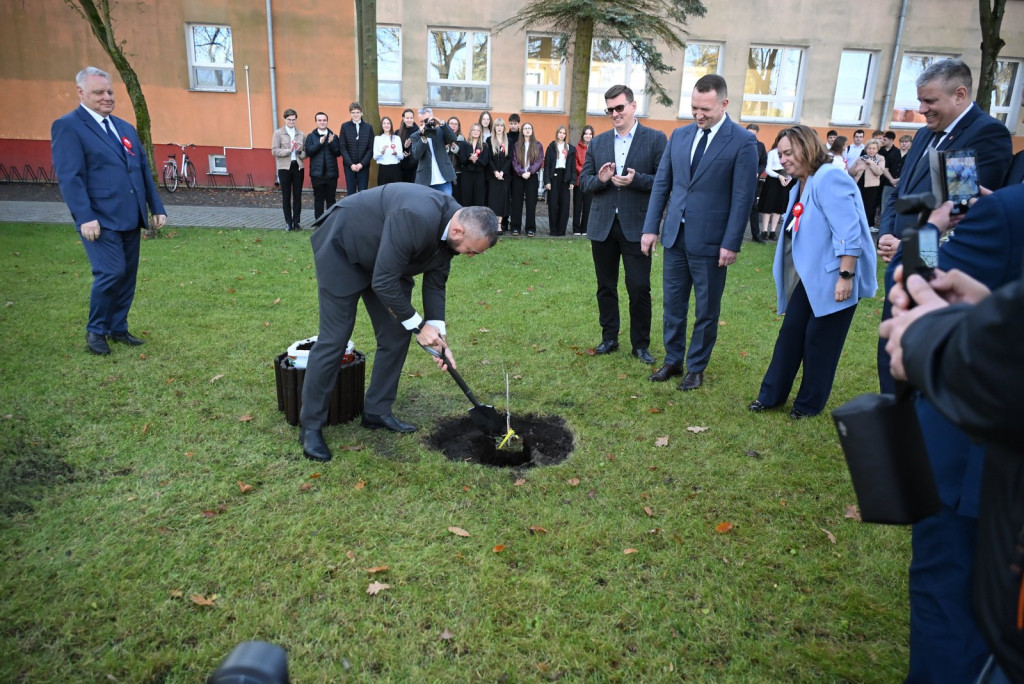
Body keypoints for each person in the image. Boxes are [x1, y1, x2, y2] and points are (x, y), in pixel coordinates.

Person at [879, 184, 1024, 683]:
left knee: (948, 599)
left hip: (976, 458)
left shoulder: (1004, 212)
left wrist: (932, 227)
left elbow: (914, 283)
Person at [299, 183, 499, 462]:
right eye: (470, 251)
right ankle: (310, 427)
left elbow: (436, 283)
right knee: (336, 338)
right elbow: (384, 281)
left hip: (386, 261)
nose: (469, 256)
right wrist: (419, 327)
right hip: (344, 249)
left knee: (396, 332)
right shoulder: (415, 215)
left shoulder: (453, 230)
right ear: (458, 231)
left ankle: (377, 411)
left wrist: (437, 335)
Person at [875, 58, 1013, 394]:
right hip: (905, 256)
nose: (921, 109)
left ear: (960, 95)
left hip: (939, 268)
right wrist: (889, 232)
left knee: (921, 355)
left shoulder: (985, 134)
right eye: (920, 100)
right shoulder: (924, 134)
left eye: (930, 101)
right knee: (892, 350)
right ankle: (894, 412)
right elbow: (901, 192)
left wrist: (916, 243)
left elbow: (963, 212)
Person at [747, 125, 877, 418]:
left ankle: (807, 405)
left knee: (821, 343)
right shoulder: (801, 183)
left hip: (836, 276)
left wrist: (846, 276)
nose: (783, 160)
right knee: (791, 334)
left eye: (788, 153)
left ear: (806, 148)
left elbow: (849, 231)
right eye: (780, 154)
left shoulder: (829, 177)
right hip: (812, 278)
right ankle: (771, 396)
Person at [640, 74, 758, 387]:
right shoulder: (679, 136)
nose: (698, 114)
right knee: (673, 305)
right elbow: (662, 184)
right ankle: (672, 361)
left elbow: (743, 198)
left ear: (724, 103)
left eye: (705, 109)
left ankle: (696, 368)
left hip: (712, 242)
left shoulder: (743, 141)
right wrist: (651, 228)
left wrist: (731, 242)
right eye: (694, 107)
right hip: (675, 238)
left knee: (706, 309)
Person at [51, 66, 167, 356]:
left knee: (127, 276)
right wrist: (84, 216)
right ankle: (96, 330)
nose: (107, 97)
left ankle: (118, 327)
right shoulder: (68, 126)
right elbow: (71, 177)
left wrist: (156, 206)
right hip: (99, 219)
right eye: (98, 92)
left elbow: (141, 170)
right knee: (111, 271)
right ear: (81, 93)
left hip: (130, 215)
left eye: (110, 92)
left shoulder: (124, 128)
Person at [579, 84, 667, 365]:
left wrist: (635, 179)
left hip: (637, 226)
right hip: (603, 225)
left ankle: (640, 345)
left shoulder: (655, 139)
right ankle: (609, 338)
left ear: (633, 106)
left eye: (619, 107)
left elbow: (664, 181)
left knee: (639, 287)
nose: (615, 113)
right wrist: (601, 180)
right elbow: (584, 182)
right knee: (605, 286)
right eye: (610, 110)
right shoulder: (598, 142)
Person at [272, 108, 306, 231]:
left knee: (297, 196)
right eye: (289, 119)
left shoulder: (301, 134)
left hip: (298, 166)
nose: (291, 121)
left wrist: (299, 152)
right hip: (284, 167)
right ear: (285, 119)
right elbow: (274, 151)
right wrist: (289, 150)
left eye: (293, 119)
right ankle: (288, 222)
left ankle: (296, 222)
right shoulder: (278, 133)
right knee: (286, 196)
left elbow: (305, 154)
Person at [410, 107, 457, 194]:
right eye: (422, 122)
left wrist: (442, 123)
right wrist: (423, 137)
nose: (425, 124)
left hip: (443, 178)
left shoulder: (440, 130)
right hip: (426, 180)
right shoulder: (415, 136)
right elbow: (416, 155)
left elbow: (453, 138)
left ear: (432, 119)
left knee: (446, 202)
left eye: (427, 120)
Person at [304, 112, 341, 220]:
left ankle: (330, 222)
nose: (322, 122)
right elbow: (309, 152)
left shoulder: (333, 136)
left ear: (327, 121)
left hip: (331, 174)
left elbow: (338, 153)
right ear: (316, 122)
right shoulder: (311, 137)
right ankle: (319, 222)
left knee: (331, 199)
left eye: (324, 120)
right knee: (318, 199)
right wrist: (319, 143)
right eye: (319, 120)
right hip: (317, 174)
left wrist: (331, 143)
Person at [510, 122, 544, 236]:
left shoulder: (538, 145)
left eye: (529, 128)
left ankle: (530, 228)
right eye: (525, 128)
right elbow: (514, 161)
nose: (527, 130)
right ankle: (515, 227)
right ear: (522, 131)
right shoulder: (516, 145)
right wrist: (521, 172)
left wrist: (529, 172)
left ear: (532, 131)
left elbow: (539, 160)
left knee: (531, 203)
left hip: (532, 177)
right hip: (518, 177)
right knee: (516, 202)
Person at [758, 131, 791, 240]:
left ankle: (773, 231)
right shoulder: (772, 153)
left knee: (778, 207)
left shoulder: (791, 153)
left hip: (785, 179)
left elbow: (792, 167)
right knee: (768, 206)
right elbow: (768, 169)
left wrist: (789, 178)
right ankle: (764, 231)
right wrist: (779, 176)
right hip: (773, 181)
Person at [544, 125, 575, 236]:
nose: (562, 135)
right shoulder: (551, 147)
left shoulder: (570, 148)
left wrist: (572, 181)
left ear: (566, 135)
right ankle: (553, 230)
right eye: (560, 132)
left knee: (564, 205)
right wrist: (547, 181)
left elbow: (573, 166)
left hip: (565, 178)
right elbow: (547, 165)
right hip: (554, 177)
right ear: (557, 133)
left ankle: (561, 230)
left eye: (564, 133)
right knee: (553, 204)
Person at [847, 138, 885, 229]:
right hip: (859, 184)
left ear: (877, 149)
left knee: (869, 206)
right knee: (858, 205)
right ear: (866, 149)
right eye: (869, 148)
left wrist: (871, 163)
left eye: (874, 148)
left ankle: (868, 225)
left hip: (872, 186)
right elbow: (851, 172)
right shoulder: (861, 158)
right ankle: (857, 224)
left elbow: (879, 172)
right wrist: (859, 168)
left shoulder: (880, 158)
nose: (871, 150)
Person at [338, 102, 373, 195]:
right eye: (353, 112)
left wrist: (362, 164)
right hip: (349, 166)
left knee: (363, 193)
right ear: (350, 114)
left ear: (361, 113)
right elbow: (342, 147)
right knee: (351, 192)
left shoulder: (368, 128)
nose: (355, 115)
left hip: (363, 166)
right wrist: (351, 164)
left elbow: (370, 149)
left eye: (357, 112)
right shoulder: (344, 126)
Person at [486, 118, 512, 235]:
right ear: (494, 127)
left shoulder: (509, 140)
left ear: (504, 127)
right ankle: (492, 224)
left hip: (504, 176)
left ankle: (499, 225)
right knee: (493, 201)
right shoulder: (489, 140)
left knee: (502, 201)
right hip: (493, 176)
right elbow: (489, 158)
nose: (499, 128)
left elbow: (510, 158)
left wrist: (502, 172)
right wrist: (495, 171)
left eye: (501, 125)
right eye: (497, 125)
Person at [458, 123, 490, 207]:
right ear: (471, 131)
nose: (476, 132)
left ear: (480, 133)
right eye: (474, 130)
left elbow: (485, 161)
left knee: (479, 199)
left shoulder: (484, 146)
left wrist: (476, 160)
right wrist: (470, 159)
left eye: (478, 130)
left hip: (479, 175)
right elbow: (462, 160)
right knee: (466, 199)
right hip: (467, 175)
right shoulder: (464, 144)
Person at [572, 125, 595, 236]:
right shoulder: (577, 148)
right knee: (577, 206)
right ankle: (576, 229)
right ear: (583, 135)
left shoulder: (595, 148)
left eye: (590, 134)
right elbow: (575, 163)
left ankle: (585, 229)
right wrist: (585, 172)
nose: (588, 136)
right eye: (586, 133)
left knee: (588, 206)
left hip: (590, 181)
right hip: (579, 181)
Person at [746, 123, 768, 243]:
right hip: (740, 180)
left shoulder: (760, 146)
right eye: (749, 133)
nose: (751, 136)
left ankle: (756, 235)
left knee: (753, 207)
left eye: (753, 134)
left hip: (753, 181)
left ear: (757, 134)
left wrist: (758, 172)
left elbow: (763, 163)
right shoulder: (740, 143)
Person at [372, 116, 403, 186]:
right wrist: (381, 152)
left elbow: (401, 157)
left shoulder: (397, 138)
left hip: (395, 169)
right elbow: (375, 157)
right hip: (383, 169)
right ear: (381, 125)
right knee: (383, 189)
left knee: (396, 189)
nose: (386, 125)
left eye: (388, 123)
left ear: (391, 125)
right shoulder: (377, 138)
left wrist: (396, 153)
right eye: (384, 123)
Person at [446, 117, 465, 204]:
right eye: (451, 123)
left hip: (457, 173)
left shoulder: (461, 140)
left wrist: (455, 148)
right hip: (444, 173)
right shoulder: (442, 138)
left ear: (458, 127)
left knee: (456, 199)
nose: (453, 126)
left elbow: (463, 157)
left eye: (455, 124)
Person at [398, 108, 419, 184]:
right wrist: (405, 147)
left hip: (414, 168)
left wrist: (410, 153)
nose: (409, 120)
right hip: (401, 167)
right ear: (403, 118)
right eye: (407, 118)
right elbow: (398, 149)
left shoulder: (418, 132)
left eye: (411, 118)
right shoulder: (398, 132)